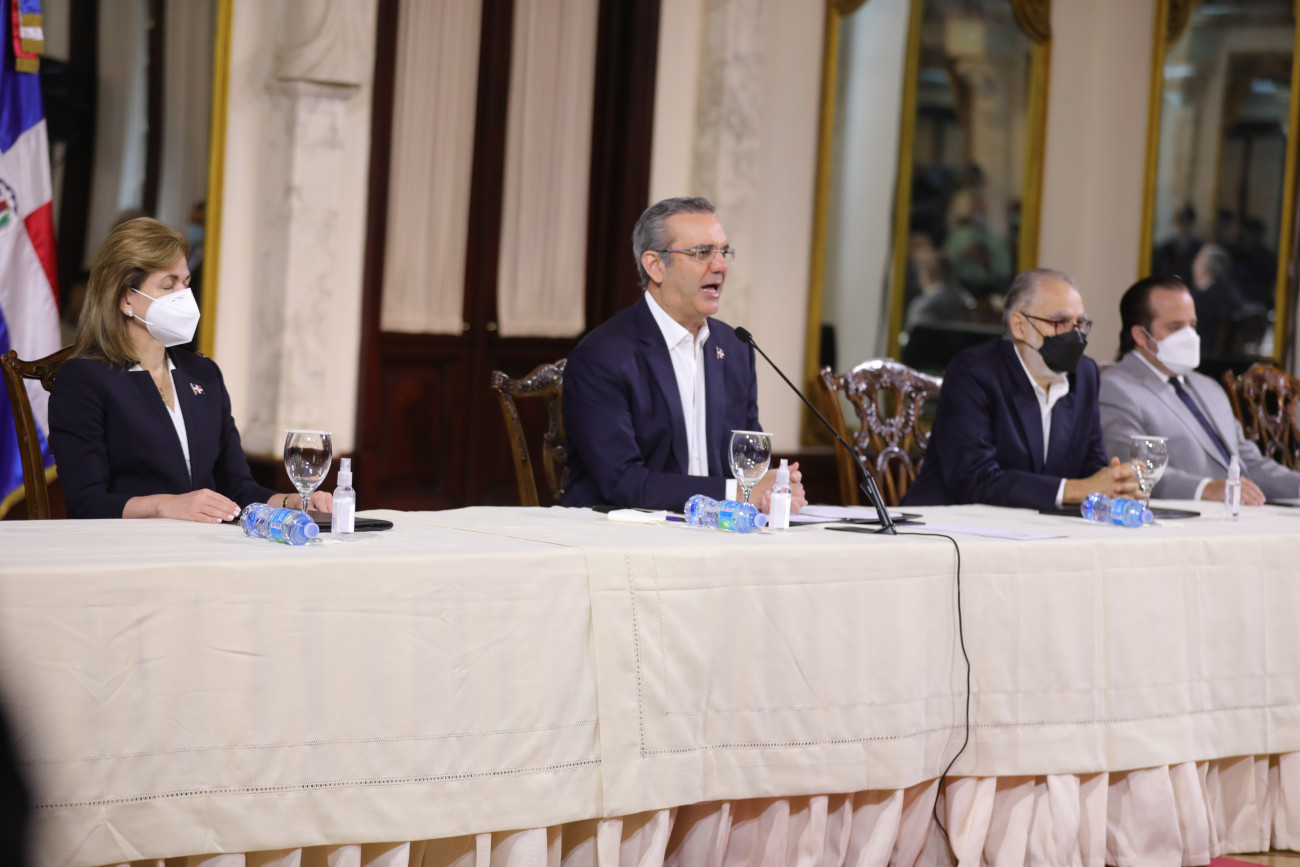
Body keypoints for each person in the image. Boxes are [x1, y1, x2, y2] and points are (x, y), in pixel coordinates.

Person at [48, 218, 330, 521]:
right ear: (125, 298)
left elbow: (238, 488)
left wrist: (291, 501)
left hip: (206, 540)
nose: (183, 296)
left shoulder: (204, 373)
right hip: (129, 543)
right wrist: (164, 506)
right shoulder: (83, 379)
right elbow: (87, 502)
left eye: (185, 283)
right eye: (168, 285)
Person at [562, 197, 807, 513]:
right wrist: (736, 492)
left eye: (723, 252)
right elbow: (623, 482)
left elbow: (748, 462)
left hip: (717, 530)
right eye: (702, 253)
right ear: (655, 266)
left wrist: (772, 489)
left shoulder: (735, 348)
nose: (720, 266)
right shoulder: (602, 356)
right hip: (623, 531)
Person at [903, 268, 1137, 509]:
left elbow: (1091, 468)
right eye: (1060, 322)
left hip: (1035, 525)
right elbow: (975, 480)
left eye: (1080, 323)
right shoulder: (973, 372)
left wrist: (1113, 485)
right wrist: (1077, 490)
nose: (1075, 335)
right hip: (945, 522)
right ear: (1019, 326)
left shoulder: (1084, 375)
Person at [1099, 275, 1300, 505]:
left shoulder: (1209, 387)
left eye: (1192, 325)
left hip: (1239, 514)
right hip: (1178, 518)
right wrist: (1205, 488)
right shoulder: (1114, 388)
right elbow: (1133, 470)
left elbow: (1249, 464)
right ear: (1141, 336)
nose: (1189, 336)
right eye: (1175, 327)